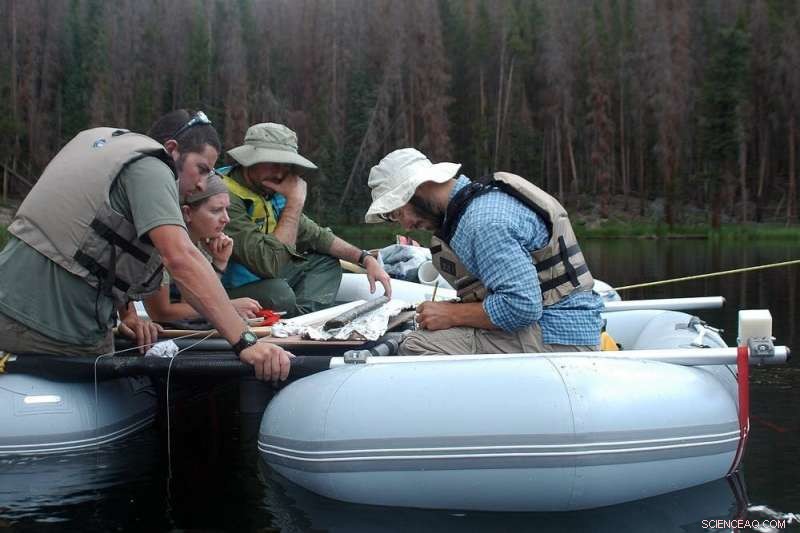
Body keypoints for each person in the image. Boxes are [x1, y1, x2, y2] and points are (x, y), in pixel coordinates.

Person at [0, 110, 290, 382]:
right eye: (201, 169)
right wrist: (245, 341)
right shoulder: (154, 165)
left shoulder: (102, 144)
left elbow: (91, 233)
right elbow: (181, 259)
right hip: (52, 331)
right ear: (172, 149)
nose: (203, 184)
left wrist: (127, 314)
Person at [364, 148, 603, 355]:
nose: (405, 226)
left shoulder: (484, 223)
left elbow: (522, 306)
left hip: (560, 337)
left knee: (413, 345)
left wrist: (451, 315)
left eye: (398, 213)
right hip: (558, 326)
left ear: (419, 188)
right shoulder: (476, 208)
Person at [218, 122, 392, 317]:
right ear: (249, 159)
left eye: (285, 165)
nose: (279, 172)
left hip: (264, 277)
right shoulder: (223, 197)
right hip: (227, 292)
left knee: (325, 263)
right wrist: (295, 201)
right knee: (279, 294)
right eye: (272, 163)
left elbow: (317, 236)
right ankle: (289, 319)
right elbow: (270, 265)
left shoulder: (267, 190)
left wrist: (365, 258)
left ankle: (301, 319)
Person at [143, 173, 261, 324]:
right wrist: (228, 307)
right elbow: (161, 313)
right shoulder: (161, 246)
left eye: (226, 209)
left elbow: (191, 302)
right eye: (216, 210)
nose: (226, 218)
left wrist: (219, 262)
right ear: (187, 213)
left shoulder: (202, 244)